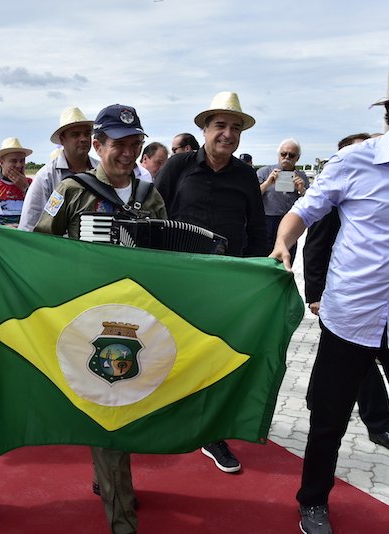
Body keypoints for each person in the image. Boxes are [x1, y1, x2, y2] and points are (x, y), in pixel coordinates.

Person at [270, 54, 389, 534]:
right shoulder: (353, 162)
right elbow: (306, 211)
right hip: (348, 317)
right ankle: (312, 502)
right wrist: (281, 243)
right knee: (328, 419)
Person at [36, 104, 166, 534]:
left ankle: (105, 478)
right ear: (98, 145)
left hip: (137, 318)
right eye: (119, 145)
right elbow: (41, 245)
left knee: (120, 404)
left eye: (135, 145)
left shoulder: (151, 197)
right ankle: (121, 515)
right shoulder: (72, 190)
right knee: (110, 402)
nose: (128, 153)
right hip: (89, 318)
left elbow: (167, 255)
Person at [156, 91, 268, 475]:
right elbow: (154, 218)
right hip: (178, 279)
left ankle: (211, 432)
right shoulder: (177, 167)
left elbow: (257, 232)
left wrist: (257, 276)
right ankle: (164, 416)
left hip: (227, 283)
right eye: (220, 125)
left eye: (235, 128)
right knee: (169, 347)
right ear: (204, 129)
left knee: (216, 353)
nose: (228, 134)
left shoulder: (246, 177)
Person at [302, 132, 389, 451]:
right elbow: (314, 247)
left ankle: (314, 399)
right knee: (363, 358)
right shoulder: (334, 195)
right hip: (337, 294)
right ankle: (380, 424)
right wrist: (315, 293)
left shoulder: (373, 191)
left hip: (368, 295)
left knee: (336, 355)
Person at [18, 106, 97, 231]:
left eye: (87, 134)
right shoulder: (45, 177)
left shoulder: (102, 171)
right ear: (62, 139)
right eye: (75, 135)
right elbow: (29, 225)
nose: (83, 139)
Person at [257, 139, 309, 258]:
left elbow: (310, 201)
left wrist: (302, 189)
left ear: (298, 158)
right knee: (265, 253)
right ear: (278, 155)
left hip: (290, 220)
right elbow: (253, 196)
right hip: (267, 219)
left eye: (291, 155)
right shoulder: (264, 172)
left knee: (288, 252)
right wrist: (267, 183)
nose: (287, 157)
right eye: (283, 154)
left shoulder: (301, 176)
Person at [0, 137, 33, 226]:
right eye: (13, 161)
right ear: (2, 162)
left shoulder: (32, 183)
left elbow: (40, 211)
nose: (19, 165)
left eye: (22, 161)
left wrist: (26, 188)